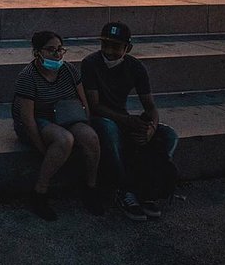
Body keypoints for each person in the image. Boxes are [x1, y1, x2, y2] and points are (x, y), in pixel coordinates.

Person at [81, 21, 179, 221]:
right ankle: (125, 189)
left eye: (116, 46)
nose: (109, 51)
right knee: (109, 129)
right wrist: (127, 121)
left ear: (128, 48)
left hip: (124, 118)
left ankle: (149, 185)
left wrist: (150, 128)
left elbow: (150, 107)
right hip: (101, 119)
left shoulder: (136, 67)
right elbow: (94, 106)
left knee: (169, 135)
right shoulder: (90, 63)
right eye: (105, 45)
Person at [12, 30, 103, 221]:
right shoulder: (28, 76)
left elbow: (83, 101)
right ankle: (40, 192)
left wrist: (83, 124)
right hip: (38, 120)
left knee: (91, 137)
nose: (57, 54)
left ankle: (90, 187)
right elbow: (27, 118)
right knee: (64, 140)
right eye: (51, 50)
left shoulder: (68, 70)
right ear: (37, 52)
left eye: (60, 49)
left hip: (65, 115)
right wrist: (42, 148)